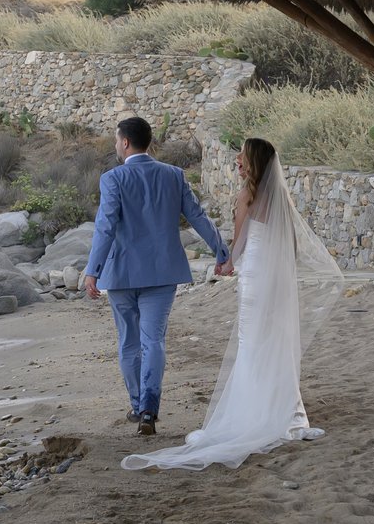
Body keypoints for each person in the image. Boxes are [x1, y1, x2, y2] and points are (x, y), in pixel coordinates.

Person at [124, 136, 340, 472]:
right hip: (276, 277)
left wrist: (224, 265)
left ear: (253, 162)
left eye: (241, 155)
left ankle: (252, 415)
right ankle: (288, 415)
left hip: (254, 276)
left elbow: (237, 245)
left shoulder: (247, 196)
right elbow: (290, 244)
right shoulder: (280, 197)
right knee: (274, 341)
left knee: (251, 342)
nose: (237, 159)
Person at [82, 115, 231, 435]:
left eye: (115, 140)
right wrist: (222, 253)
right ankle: (150, 409)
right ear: (149, 141)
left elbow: (105, 228)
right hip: (163, 273)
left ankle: (137, 406)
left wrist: (92, 271)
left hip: (121, 275)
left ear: (124, 142)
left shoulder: (113, 179)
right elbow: (198, 217)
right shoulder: (173, 175)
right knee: (154, 341)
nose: (116, 145)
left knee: (129, 343)